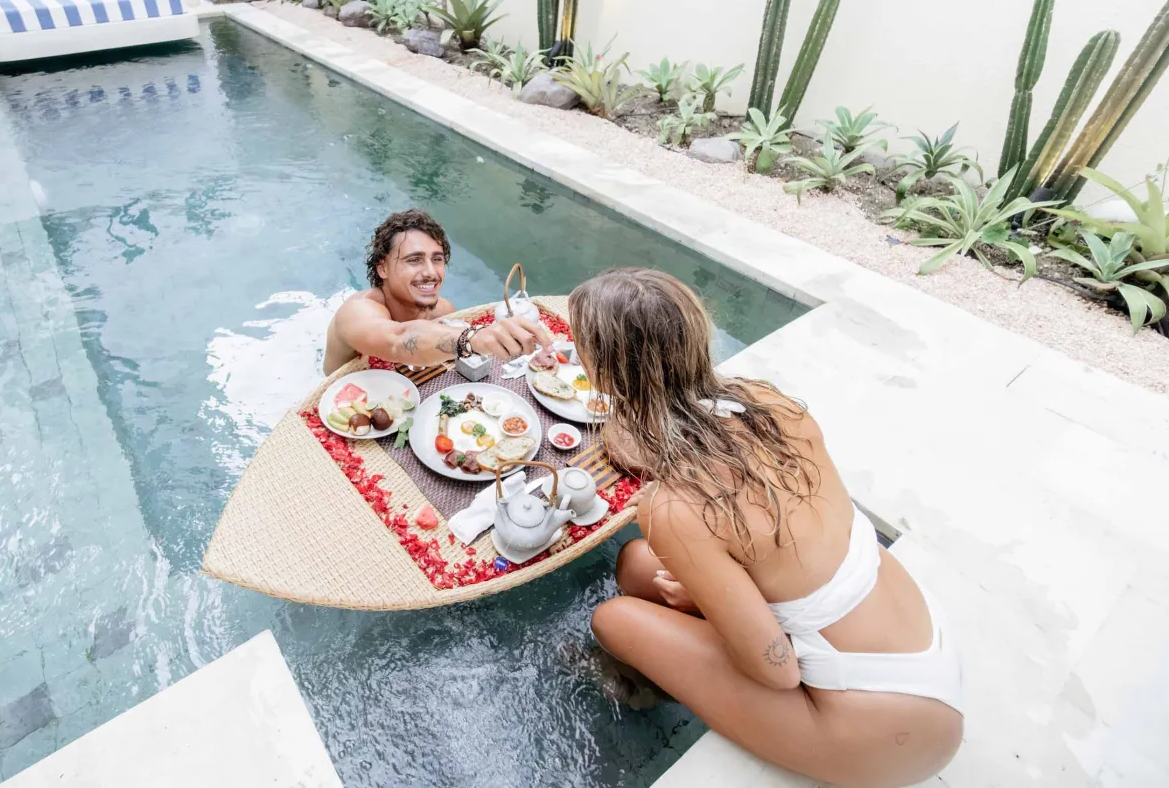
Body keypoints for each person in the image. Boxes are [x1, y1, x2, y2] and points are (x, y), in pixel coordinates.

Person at [572, 268, 963, 788]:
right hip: (918, 651)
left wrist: (707, 603)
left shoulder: (674, 509)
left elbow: (776, 671)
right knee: (637, 563)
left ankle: (646, 691)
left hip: (886, 734)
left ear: (602, 372)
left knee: (615, 619)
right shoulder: (764, 402)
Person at [323, 209, 555, 375]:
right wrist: (471, 338)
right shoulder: (357, 311)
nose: (431, 272)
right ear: (382, 268)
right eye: (414, 260)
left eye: (437, 259)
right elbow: (397, 340)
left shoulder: (442, 310)